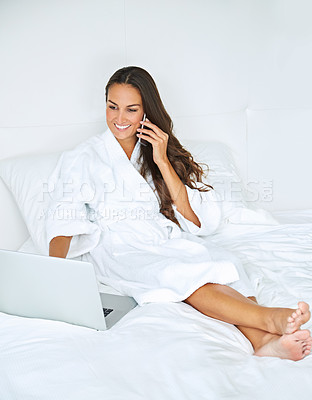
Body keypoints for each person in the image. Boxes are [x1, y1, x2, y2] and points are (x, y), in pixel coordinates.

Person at [48, 66, 311, 361]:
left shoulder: (154, 150)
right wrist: (55, 279)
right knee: (177, 274)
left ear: (147, 112)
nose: (119, 119)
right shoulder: (81, 158)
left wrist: (161, 159)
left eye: (131, 110)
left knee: (224, 263)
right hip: (120, 247)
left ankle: (262, 341)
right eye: (112, 107)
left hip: (161, 236)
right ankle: (267, 318)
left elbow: (194, 218)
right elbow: (63, 220)